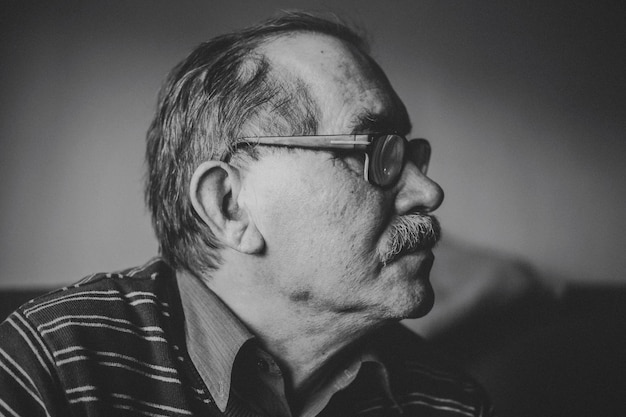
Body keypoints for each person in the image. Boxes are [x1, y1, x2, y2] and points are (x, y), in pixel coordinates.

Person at [0, 12, 492, 417]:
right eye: (375, 152)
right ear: (229, 206)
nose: (428, 190)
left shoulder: (448, 403)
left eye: (411, 153)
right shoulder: (51, 364)